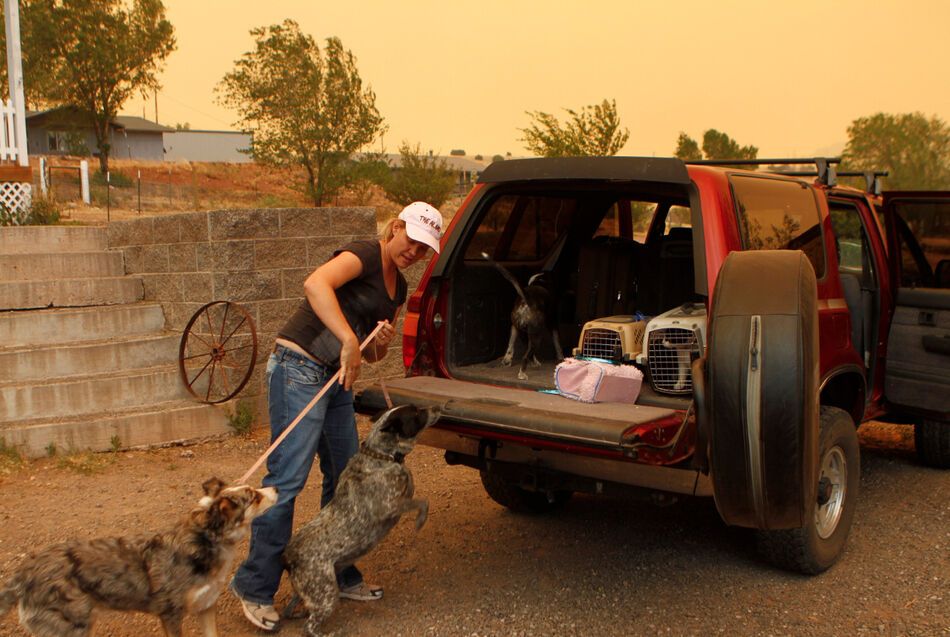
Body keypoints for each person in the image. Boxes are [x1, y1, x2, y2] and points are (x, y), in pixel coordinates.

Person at [231, 201, 443, 632]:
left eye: (424, 250)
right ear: (396, 228)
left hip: (336, 375)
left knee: (345, 476)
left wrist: (376, 340)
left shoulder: (397, 289)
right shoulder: (364, 254)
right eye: (413, 242)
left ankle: (337, 572)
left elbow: (374, 352)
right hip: (299, 365)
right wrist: (349, 337)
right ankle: (255, 587)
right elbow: (315, 285)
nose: (414, 253)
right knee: (286, 481)